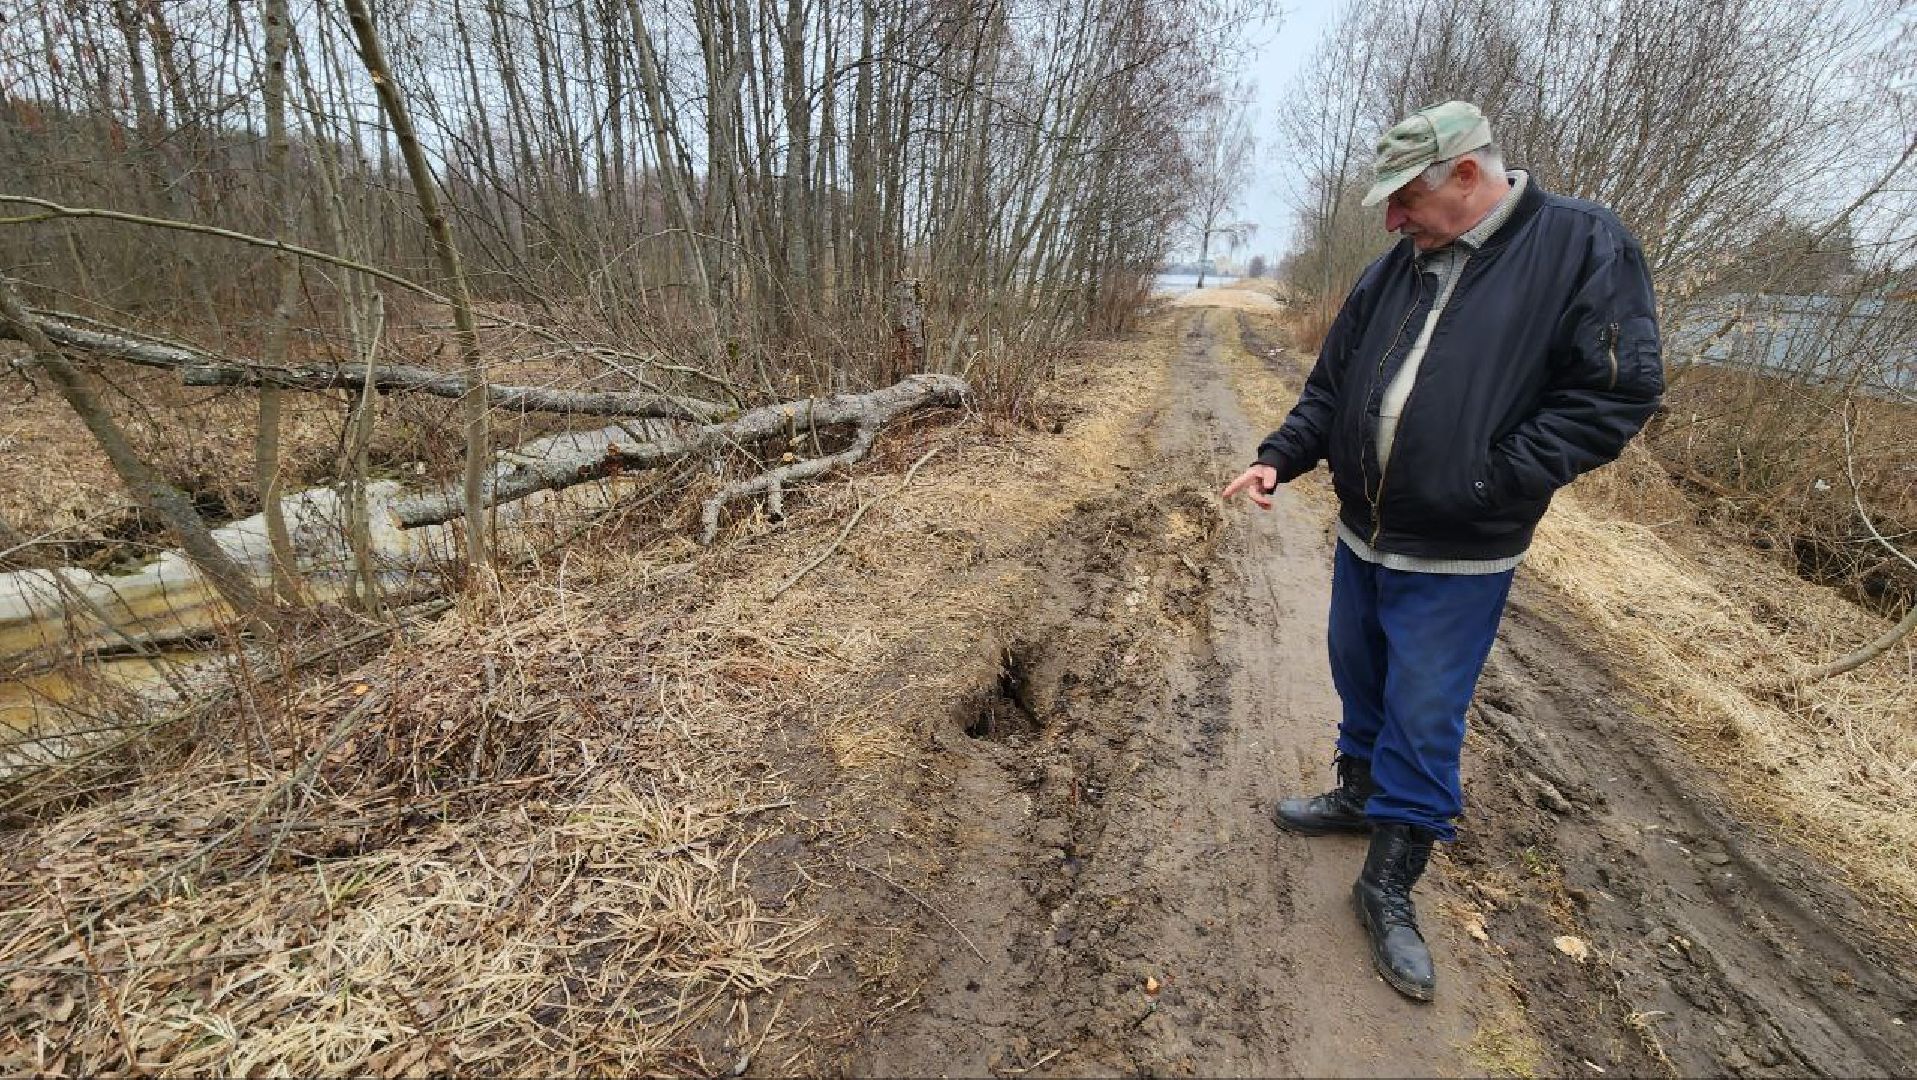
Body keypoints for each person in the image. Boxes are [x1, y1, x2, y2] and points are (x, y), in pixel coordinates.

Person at [1221, 101, 1663, 1002]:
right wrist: (1279, 456)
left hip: (1460, 549)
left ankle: (1388, 884)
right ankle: (1357, 793)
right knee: (1359, 673)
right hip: (1365, 532)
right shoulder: (1399, 264)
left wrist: (1487, 481)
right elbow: (1332, 386)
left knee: (1424, 713)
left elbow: (1614, 395)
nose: (1391, 219)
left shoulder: (1581, 245)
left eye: (1405, 199)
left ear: (1466, 174)